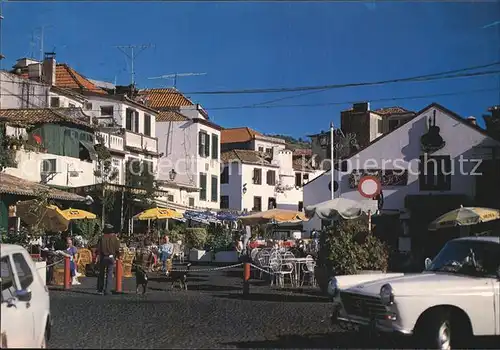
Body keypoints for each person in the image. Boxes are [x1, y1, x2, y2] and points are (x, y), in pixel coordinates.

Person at [96, 224, 121, 295]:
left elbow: (98, 249)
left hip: (103, 257)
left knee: (101, 274)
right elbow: (117, 249)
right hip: (111, 257)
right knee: (109, 274)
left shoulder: (101, 238)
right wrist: (118, 256)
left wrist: (97, 257)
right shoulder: (115, 238)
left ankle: (100, 290)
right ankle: (107, 290)